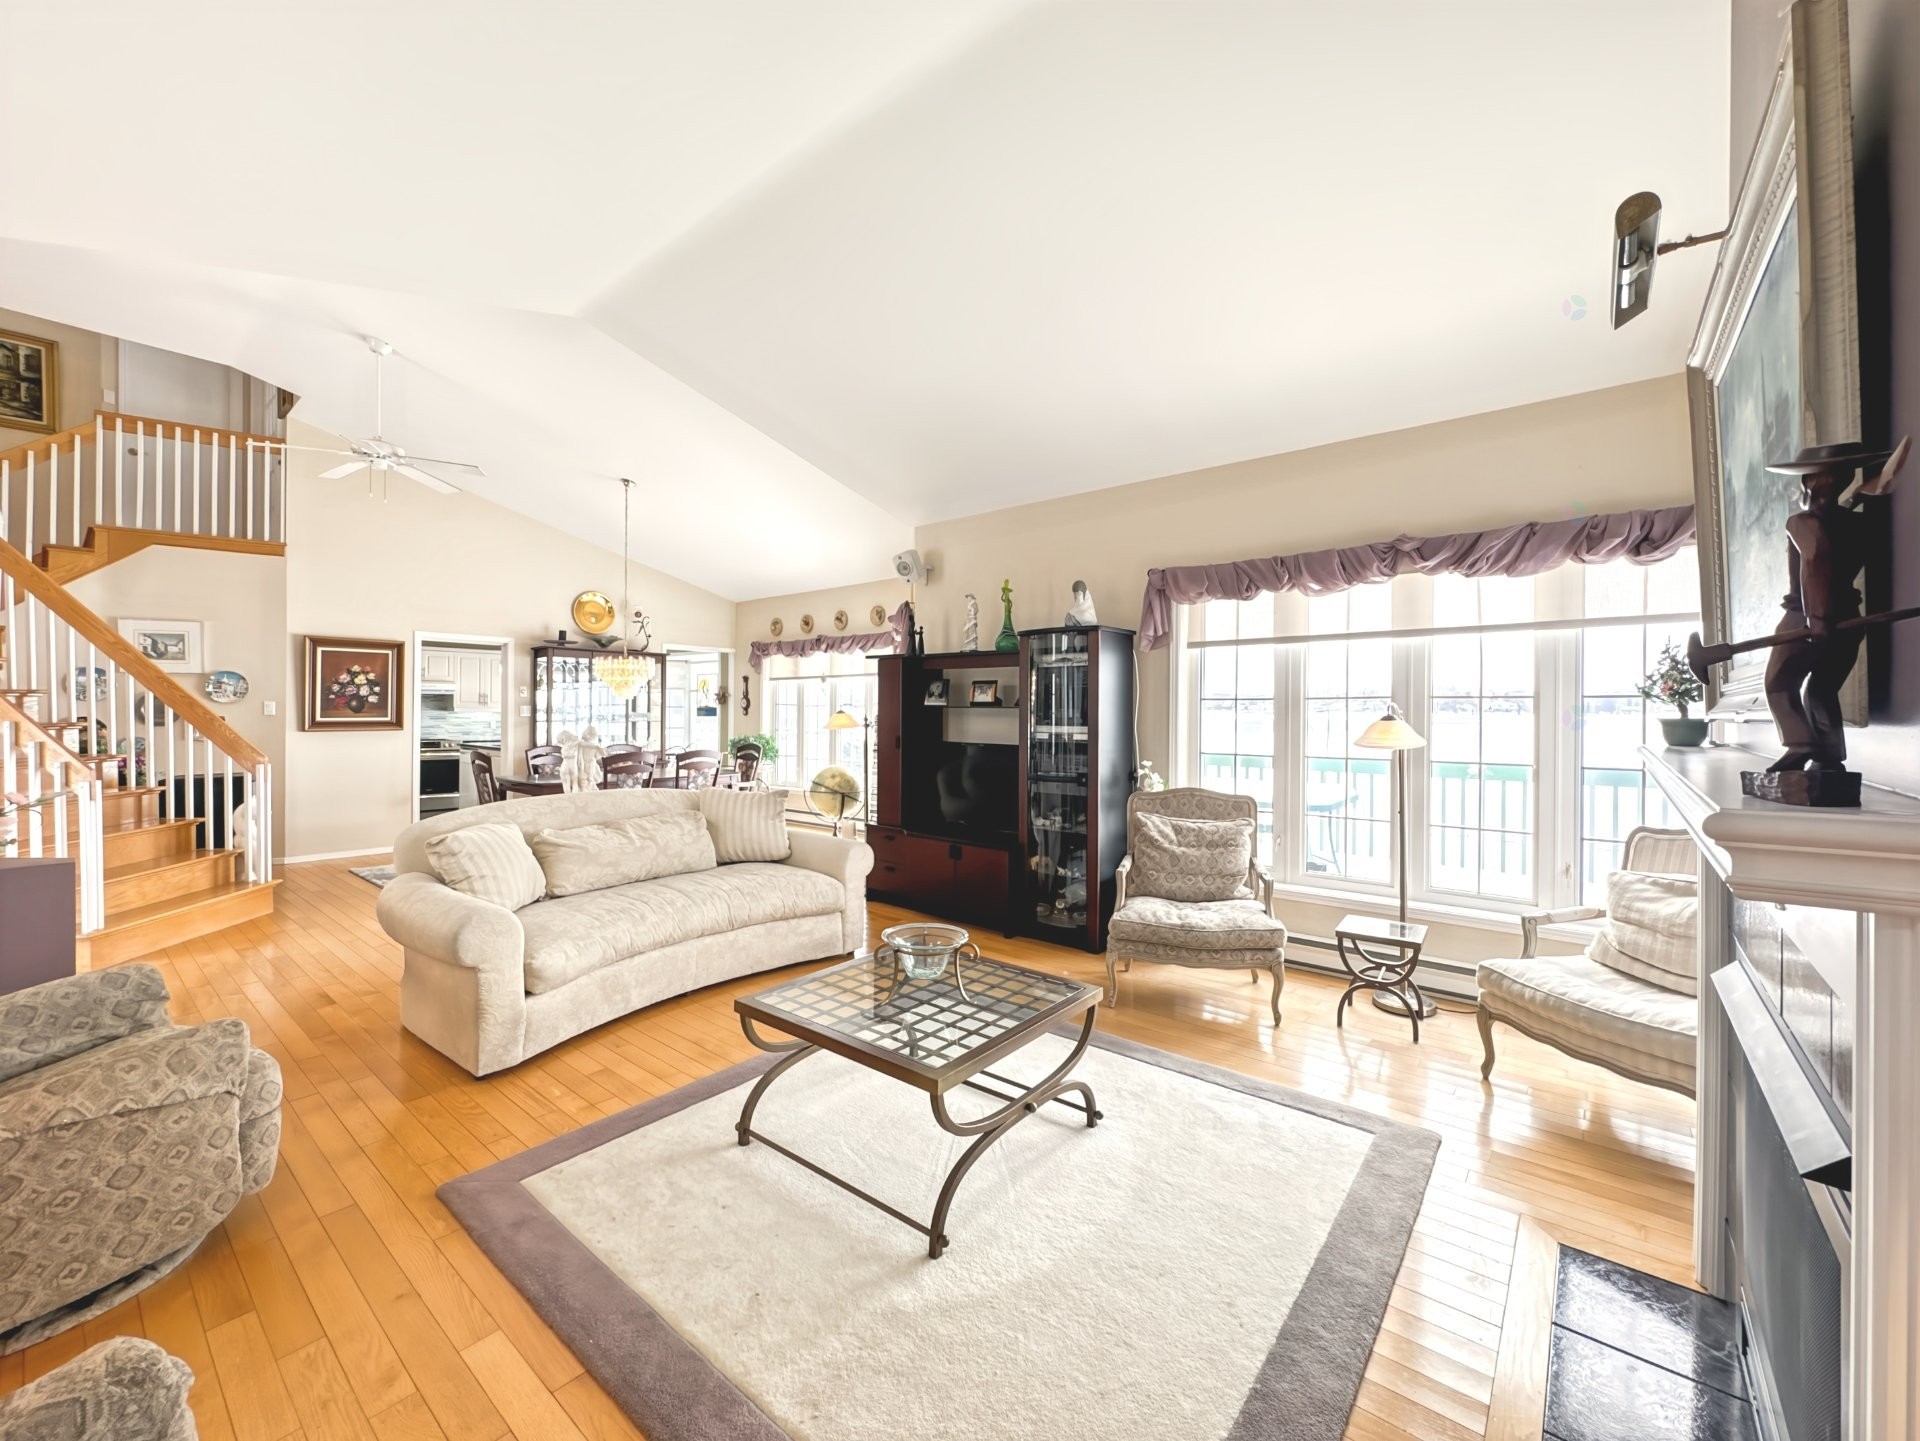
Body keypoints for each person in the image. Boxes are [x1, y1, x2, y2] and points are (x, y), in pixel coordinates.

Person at [1761, 437, 1909, 772]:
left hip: (1805, 619)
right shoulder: (1859, 524)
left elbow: (1816, 559)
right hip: (1849, 619)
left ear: (1807, 482)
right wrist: (1857, 497)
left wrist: (1818, 619)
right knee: (1822, 688)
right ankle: (1829, 755)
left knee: (1779, 683)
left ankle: (1800, 744)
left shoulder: (1801, 523)